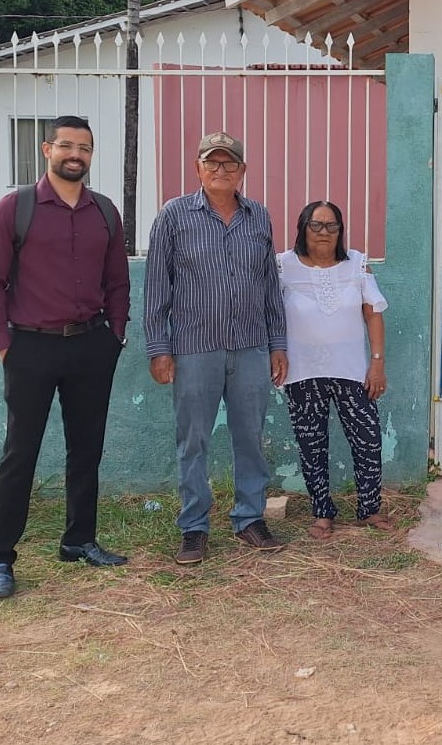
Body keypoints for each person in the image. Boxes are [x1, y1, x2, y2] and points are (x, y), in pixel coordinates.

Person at [0, 115, 131, 600]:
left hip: (90, 345)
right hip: (30, 347)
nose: (75, 154)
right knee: (20, 454)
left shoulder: (104, 211)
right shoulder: (15, 208)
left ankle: (79, 540)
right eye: (66, 145)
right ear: (47, 150)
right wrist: (4, 345)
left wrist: (115, 337)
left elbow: (118, 282)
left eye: (84, 147)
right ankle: (1, 558)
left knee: (86, 450)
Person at [144, 131, 289, 565]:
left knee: (250, 437)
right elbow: (157, 287)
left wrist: (277, 344)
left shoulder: (259, 217)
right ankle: (193, 527)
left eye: (229, 164)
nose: (220, 171)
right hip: (193, 348)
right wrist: (159, 347)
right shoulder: (173, 216)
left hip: (250, 347)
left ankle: (249, 518)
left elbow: (269, 289)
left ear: (242, 171)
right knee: (193, 440)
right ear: (198, 169)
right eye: (212, 163)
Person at [277, 200, 396, 538]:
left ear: (341, 231)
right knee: (311, 443)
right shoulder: (283, 266)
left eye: (332, 226)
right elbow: (272, 316)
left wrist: (377, 363)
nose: (324, 232)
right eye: (316, 225)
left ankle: (369, 508)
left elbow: (373, 314)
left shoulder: (357, 264)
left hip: (353, 372)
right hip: (302, 373)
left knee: (367, 440)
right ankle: (322, 512)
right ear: (302, 228)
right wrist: (276, 353)